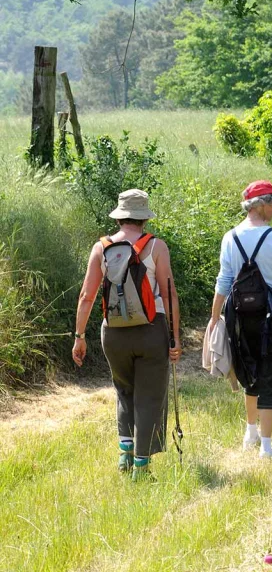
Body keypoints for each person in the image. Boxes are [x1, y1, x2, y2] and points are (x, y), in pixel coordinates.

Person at [72, 189, 182, 480]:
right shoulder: (156, 247)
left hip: (114, 333)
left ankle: (125, 456)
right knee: (148, 397)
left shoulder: (102, 247)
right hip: (151, 330)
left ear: (120, 217)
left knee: (124, 392)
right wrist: (175, 339)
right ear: (144, 218)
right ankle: (141, 468)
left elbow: (86, 296)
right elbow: (169, 295)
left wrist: (79, 335)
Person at [209, 180, 272, 458]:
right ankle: (266, 447)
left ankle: (250, 433)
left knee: (248, 369)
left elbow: (224, 280)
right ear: (261, 204)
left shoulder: (229, 237)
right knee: (269, 376)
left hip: (239, 317)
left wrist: (214, 316)